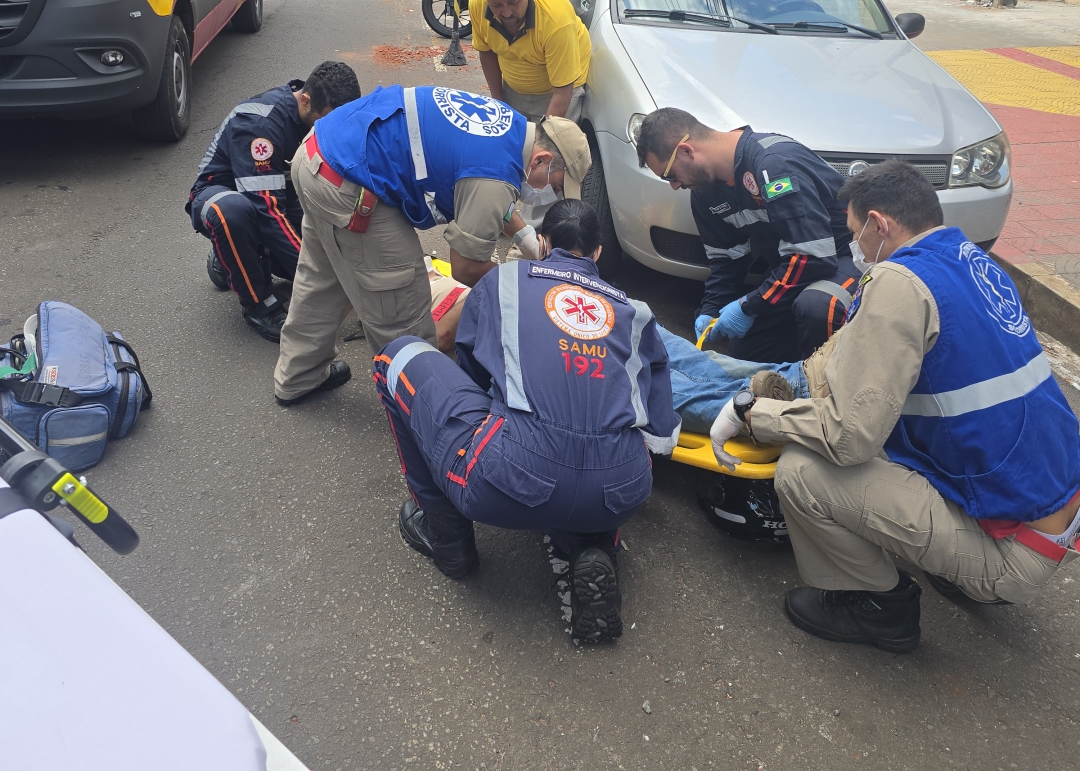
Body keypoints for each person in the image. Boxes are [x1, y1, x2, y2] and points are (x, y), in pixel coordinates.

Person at [709, 160, 1080, 653]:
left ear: (880, 224)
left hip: (1015, 547)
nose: (854, 250)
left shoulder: (898, 284)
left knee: (802, 470)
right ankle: (960, 560)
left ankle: (880, 607)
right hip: (1052, 507)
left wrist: (752, 414)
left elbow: (849, 437)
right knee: (876, 428)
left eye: (856, 234)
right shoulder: (968, 258)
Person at [372, 199, 680, 640]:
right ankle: (594, 542)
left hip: (515, 476)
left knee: (396, 356)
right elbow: (661, 436)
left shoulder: (506, 281)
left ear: (545, 243)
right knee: (601, 452)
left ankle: (446, 536)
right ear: (597, 253)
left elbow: (474, 376)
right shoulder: (638, 313)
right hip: (621, 489)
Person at [272, 85, 591, 405]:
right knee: (401, 305)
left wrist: (526, 241)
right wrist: (527, 290)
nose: (552, 193)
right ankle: (427, 413)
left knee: (322, 278)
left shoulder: (511, 128)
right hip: (351, 187)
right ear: (542, 159)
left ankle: (298, 377)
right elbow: (466, 266)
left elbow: (485, 196)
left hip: (319, 153)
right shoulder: (496, 175)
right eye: (557, 184)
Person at [635, 107, 861, 363]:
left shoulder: (773, 164)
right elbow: (726, 259)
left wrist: (750, 304)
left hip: (849, 256)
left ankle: (827, 390)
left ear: (687, 151)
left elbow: (812, 256)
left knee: (820, 308)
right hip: (798, 267)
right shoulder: (704, 192)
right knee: (747, 349)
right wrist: (710, 309)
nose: (675, 186)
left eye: (670, 176)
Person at [187, 62, 361, 341]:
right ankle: (259, 305)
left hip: (277, 193)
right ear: (305, 101)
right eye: (325, 121)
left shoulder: (324, 112)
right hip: (221, 193)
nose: (332, 130)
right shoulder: (261, 125)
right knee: (232, 214)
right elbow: (267, 211)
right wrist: (316, 272)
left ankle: (235, 258)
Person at [469, 0, 591, 123]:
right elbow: (486, 51)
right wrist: (498, 103)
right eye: (497, 5)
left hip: (557, 91)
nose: (507, 12)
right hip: (513, 87)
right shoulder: (477, 4)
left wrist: (544, 140)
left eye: (513, 2)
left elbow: (563, 90)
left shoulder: (556, 19)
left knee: (552, 146)